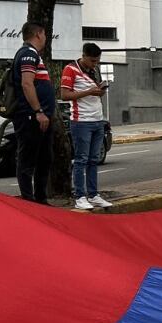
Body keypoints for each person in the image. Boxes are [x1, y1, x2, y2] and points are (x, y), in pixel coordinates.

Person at [7, 22, 56, 204]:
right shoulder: (28, 54)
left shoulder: (33, 54)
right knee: (27, 161)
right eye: (44, 34)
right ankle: (29, 201)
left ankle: (41, 199)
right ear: (38, 34)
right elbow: (27, 84)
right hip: (30, 117)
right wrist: (38, 111)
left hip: (41, 117)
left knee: (44, 159)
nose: (45, 38)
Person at [60, 42, 112, 211]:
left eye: (97, 61)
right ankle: (80, 196)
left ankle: (93, 194)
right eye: (92, 61)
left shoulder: (94, 70)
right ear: (83, 56)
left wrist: (99, 91)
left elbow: (94, 91)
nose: (94, 64)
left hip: (97, 118)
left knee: (93, 159)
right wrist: (89, 92)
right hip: (81, 120)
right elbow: (65, 95)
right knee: (81, 159)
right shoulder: (70, 69)